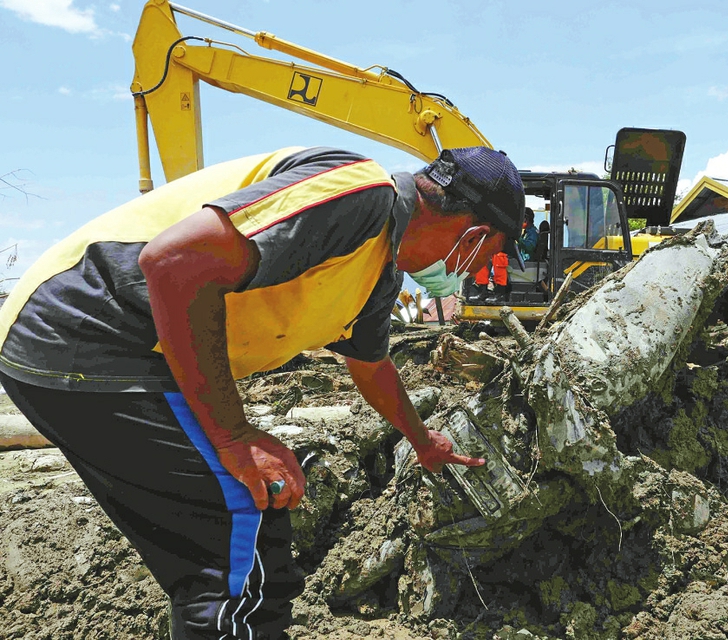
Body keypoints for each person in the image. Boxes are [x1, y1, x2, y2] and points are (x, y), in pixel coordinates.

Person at [0, 145, 525, 639]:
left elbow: (370, 364)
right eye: (487, 257)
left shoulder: (379, 268)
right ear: (474, 234)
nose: (474, 273)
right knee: (239, 535)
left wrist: (420, 438)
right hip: (84, 331)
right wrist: (232, 435)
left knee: (245, 538)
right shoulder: (360, 194)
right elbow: (174, 263)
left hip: (113, 350)